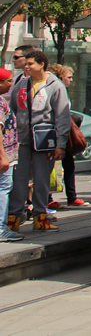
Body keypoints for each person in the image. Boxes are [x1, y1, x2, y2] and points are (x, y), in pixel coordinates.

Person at [7, 51, 71, 232]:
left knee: (42, 180)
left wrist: (61, 144)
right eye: (25, 64)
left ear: (41, 64)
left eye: (30, 64)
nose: (26, 67)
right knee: (18, 179)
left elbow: (62, 117)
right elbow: (12, 111)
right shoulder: (21, 84)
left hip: (45, 140)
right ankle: (14, 218)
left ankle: (40, 217)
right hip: (21, 140)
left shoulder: (55, 86)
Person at [48, 64, 88, 208]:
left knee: (68, 165)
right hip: (55, 133)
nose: (71, 80)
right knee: (50, 166)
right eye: (68, 77)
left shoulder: (62, 90)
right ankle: (48, 198)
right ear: (60, 77)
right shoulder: (55, 89)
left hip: (63, 133)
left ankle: (71, 196)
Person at [0, 69, 24, 242]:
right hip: (4, 154)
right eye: (8, 81)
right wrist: (3, 156)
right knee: (3, 188)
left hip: (6, 153)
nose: (11, 84)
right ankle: (1, 228)